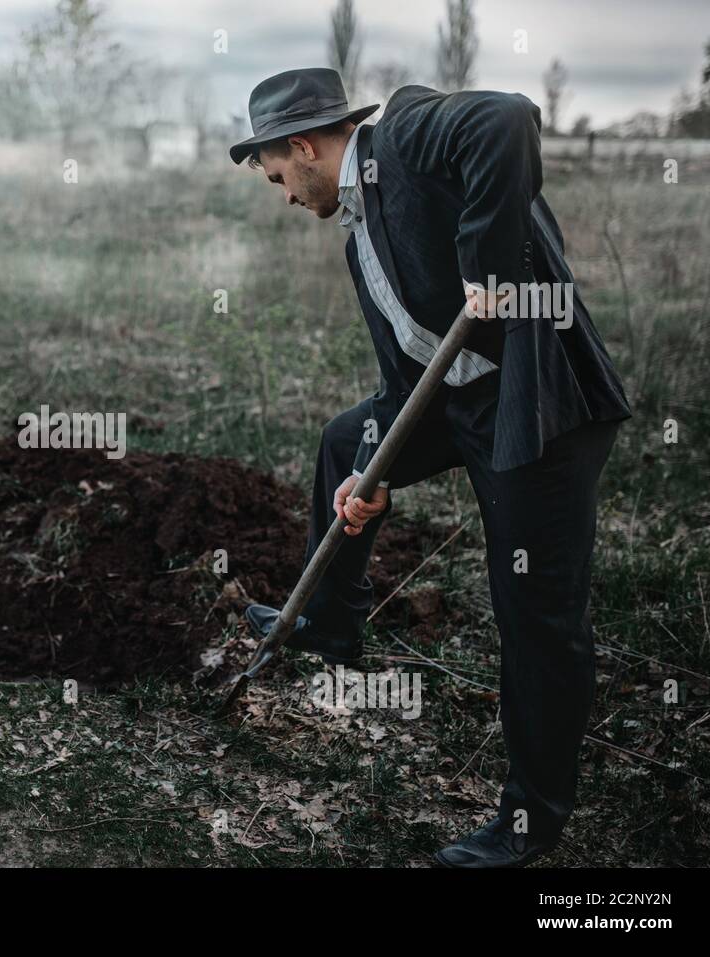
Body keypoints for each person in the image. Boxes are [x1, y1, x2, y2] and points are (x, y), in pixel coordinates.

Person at [229, 68, 632, 867]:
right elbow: (407, 375)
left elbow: (508, 121)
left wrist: (485, 266)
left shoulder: (406, 134)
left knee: (535, 613)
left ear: (305, 147)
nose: (281, 195)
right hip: (452, 401)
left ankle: (529, 821)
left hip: (536, 403)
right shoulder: (357, 233)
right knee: (349, 445)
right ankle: (331, 622)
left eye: (278, 175)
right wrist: (375, 470)